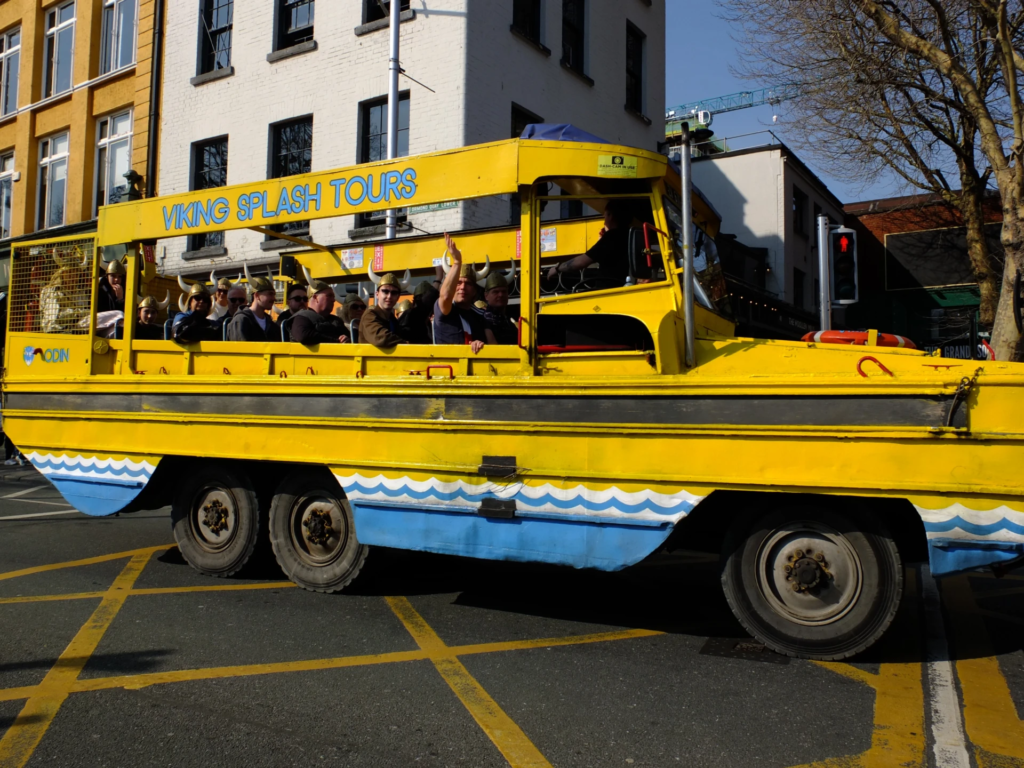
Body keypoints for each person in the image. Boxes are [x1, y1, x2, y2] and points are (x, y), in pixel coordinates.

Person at [546, 199, 633, 287]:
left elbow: (581, 262)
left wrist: (557, 268)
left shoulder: (612, 236)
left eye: (605, 215)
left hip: (609, 290)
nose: (604, 219)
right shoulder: (630, 234)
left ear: (610, 215)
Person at [434, 233, 496, 353]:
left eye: (468, 284)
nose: (462, 287)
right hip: (448, 370)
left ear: (475, 291)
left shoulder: (481, 316)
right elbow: (446, 296)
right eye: (458, 283)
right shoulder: (445, 309)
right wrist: (457, 262)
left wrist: (481, 345)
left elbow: (493, 347)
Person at [290, 279, 349, 344]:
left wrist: (347, 339)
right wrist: (335, 340)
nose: (333, 300)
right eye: (329, 296)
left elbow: (352, 338)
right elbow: (303, 336)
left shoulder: (336, 320)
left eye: (333, 296)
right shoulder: (302, 317)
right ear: (315, 297)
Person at [360, 273, 408, 348]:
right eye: (385, 291)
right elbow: (380, 337)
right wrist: (405, 343)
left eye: (394, 293)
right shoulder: (369, 315)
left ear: (398, 297)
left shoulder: (392, 319)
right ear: (377, 294)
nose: (389, 296)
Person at [227, 277, 280, 342]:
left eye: (274, 294)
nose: (274, 299)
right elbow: (240, 349)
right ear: (257, 295)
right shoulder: (241, 320)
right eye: (270, 294)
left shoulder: (271, 324)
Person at [477, 271, 518, 345]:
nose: (501, 295)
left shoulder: (509, 319)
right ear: (486, 296)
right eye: (495, 292)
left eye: (504, 291)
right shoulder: (484, 320)